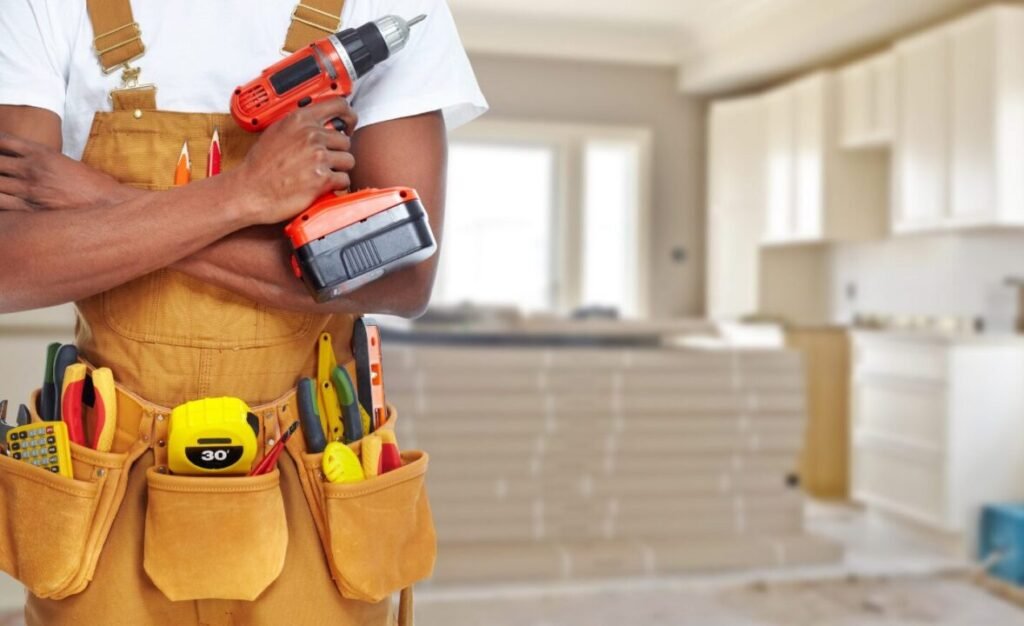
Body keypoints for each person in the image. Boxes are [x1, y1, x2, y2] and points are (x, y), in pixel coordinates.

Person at [0, 0, 487, 624]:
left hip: (313, 468)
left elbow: (401, 276)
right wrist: (241, 196)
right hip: (107, 482)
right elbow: (9, 266)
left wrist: (102, 202)